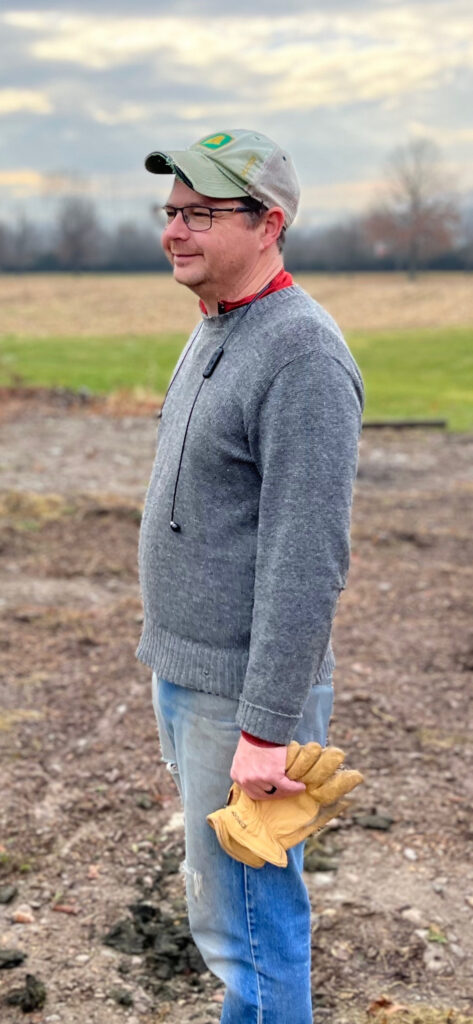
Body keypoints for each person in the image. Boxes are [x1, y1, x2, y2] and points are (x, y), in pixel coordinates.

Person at [136, 128, 365, 1023]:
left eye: (201, 213)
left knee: (251, 932)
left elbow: (308, 559)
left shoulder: (301, 354)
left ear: (269, 223)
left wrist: (267, 731)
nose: (176, 231)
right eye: (171, 211)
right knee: (222, 913)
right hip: (190, 674)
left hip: (243, 697)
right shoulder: (218, 326)